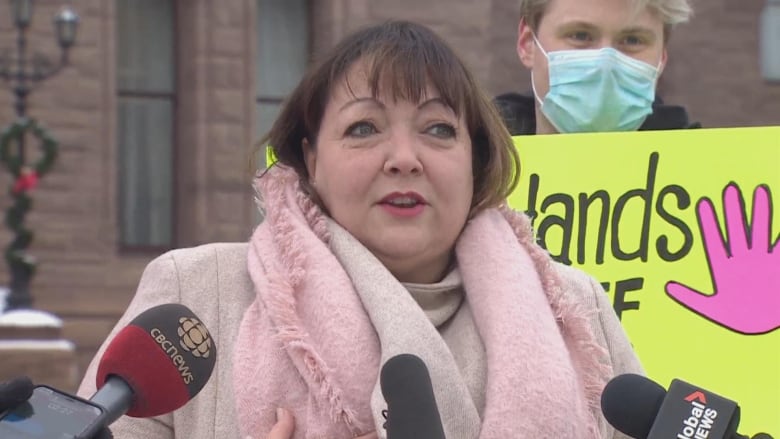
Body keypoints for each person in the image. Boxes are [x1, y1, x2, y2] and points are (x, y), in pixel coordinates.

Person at [78, 20, 642, 438]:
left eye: (439, 129)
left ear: (477, 159)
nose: (404, 157)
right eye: (364, 127)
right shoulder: (196, 295)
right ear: (310, 156)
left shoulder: (573, 307)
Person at [495, 0, 700, 135]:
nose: (606, 64)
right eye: (580, 36)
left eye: (632, 40)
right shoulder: (475, 174)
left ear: (661, 59)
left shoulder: (709, 180)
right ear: (528, 44)